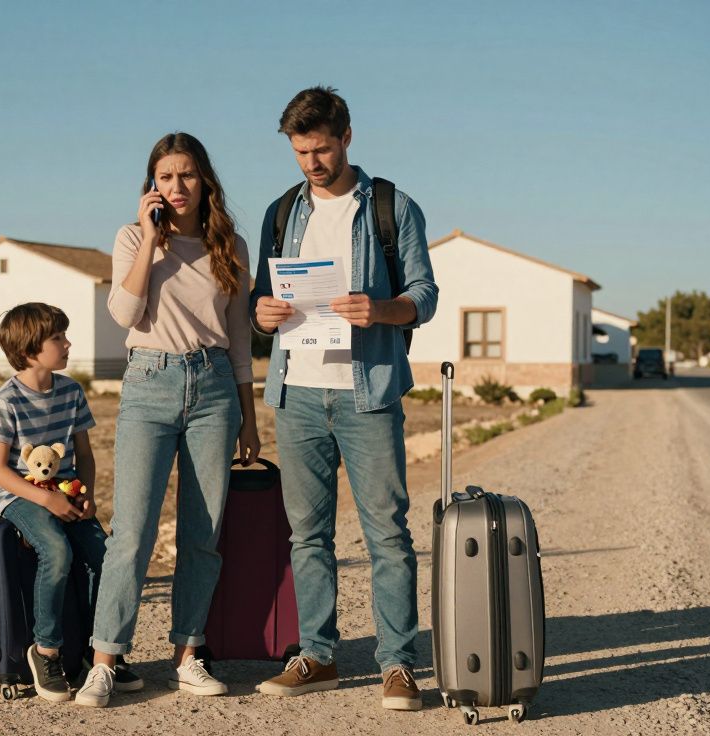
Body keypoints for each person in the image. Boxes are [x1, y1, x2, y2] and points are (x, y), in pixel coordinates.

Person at [249, 87, 438, 711]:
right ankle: (319, 655)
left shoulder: (391, 206)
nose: (311, 163)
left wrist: (380, 309)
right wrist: (265, 315)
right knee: (308, 536)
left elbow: (425, 295)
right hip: (296, 393)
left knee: (387, 532)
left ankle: (398, 664)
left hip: (369, 393)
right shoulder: (281, 213)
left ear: (347, 136)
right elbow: (257, 306)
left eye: (321, 149)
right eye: (300, 152)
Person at [74, 132, 260, 708]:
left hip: (213, 390)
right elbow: (123, 313)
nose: (176, 187)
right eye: (165, 176)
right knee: (132, 532)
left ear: (205, 180)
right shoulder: (133, 237)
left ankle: (188, 654)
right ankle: (106, 659)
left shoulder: (230, 245)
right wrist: (152, 243)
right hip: (149, 385)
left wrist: (249, 418)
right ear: (151, 184)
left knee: (203, 536)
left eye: (186, 175)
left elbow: (237, 341)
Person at [0, 302, 140, 702]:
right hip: (21, 496)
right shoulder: (6, 400)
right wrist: (44, 501)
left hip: (67, 492)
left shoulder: (71, 390)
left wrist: (85, 493)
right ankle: (46, 650)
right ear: (31, 348)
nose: (68, 343)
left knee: (106, 556)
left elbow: (84, 455)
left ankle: (96, 652)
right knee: (56, 551)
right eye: (58, 338)